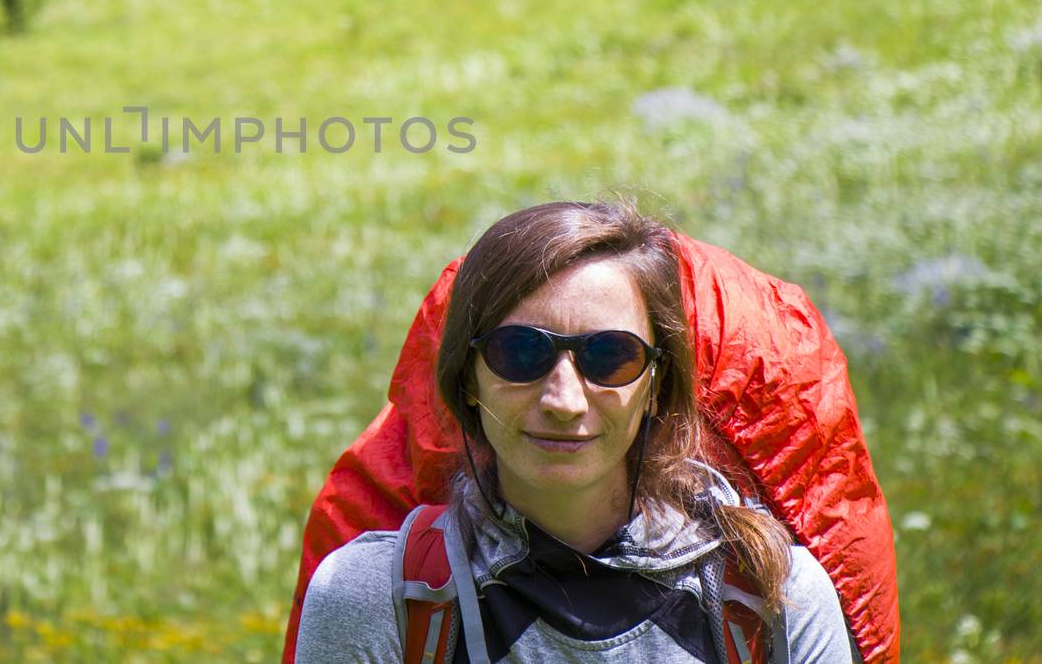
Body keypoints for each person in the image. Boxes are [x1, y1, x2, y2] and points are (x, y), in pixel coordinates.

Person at [294, 200, 854, 664]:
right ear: (468, 380)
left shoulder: (778, 599)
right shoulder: (373, 601)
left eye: (610, 355)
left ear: (657, 385)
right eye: (520, 353)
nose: (563, 400)